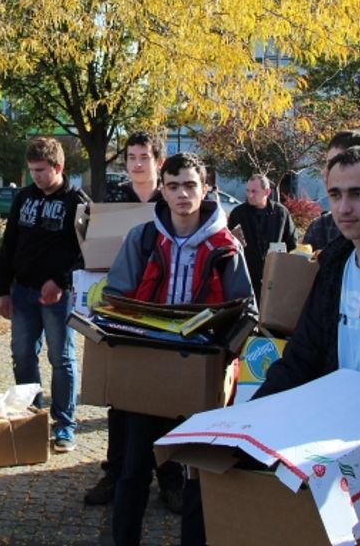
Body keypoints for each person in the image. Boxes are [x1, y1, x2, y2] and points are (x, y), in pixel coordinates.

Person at [181, 145, 360, 546]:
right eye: (335, 194)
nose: (344, 207)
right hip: (332, 430)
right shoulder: (333, 267)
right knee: (209, 476)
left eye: (359, 194)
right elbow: (302, 356)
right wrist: (249, 421)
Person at [104, 153, 253, 546]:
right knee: (134, 469)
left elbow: (247, 312)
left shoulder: (226, 246)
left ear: (205, 190)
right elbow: (116, 295)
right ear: (163, 191)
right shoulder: (142, 237)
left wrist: (222, 359)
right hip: (147, 369)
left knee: (197, 476)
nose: (182, 193)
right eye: (173, 186)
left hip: (198, 375)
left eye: (190, 185)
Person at [85, 131, 185, 514]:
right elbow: (97, 253)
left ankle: (171, 479)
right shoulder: (114, 200)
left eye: (144, 157)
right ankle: (116, 473)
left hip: (167, 311)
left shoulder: (172, 198)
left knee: (169, 399)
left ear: (158, 162)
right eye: (131, 157)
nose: (137, 163)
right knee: (121, 397)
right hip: (123, 308)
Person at [0, 136, 89, 452]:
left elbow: (86, 251)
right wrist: (2, 290)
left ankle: (64, 425)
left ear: (58, 167)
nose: (35, 176)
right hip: (22, 291)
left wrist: (61, 282)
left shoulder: (77, 201)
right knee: (22, 355)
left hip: (58, 297)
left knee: (61, 359)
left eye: (41, 170)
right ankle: (30, 416)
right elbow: (9, 246)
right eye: (32, 170)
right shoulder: (24, 198)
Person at [227, 173, 297, 293]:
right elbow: (228, 243)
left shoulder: (281, 213)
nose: (250, 195)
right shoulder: (238, 214)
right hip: (246, 276)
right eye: (248, 190)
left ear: (267, 192)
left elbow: (291, 243)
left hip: (274, 276)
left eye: (254, 191)